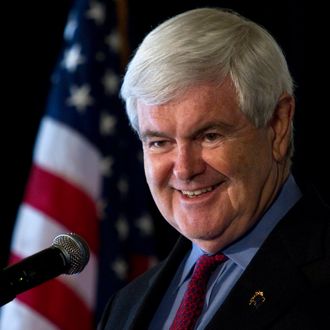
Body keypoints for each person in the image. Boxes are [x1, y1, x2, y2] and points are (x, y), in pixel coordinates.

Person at [98, 7, 330, 330]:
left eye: (209, 136)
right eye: (160, 142)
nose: (184, 169)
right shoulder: (124, 307)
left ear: (277, 125)